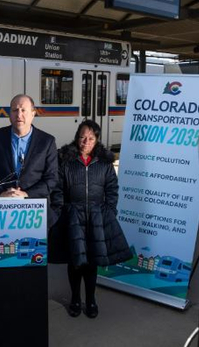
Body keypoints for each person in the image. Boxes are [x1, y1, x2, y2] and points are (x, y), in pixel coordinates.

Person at [50, 120, 132, 318]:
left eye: (90, 138)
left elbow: (112, 189)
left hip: (97, 218)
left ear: (97, 140)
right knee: (75, 261)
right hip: (73, 218)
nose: (85, 141)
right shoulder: (66, 160)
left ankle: (91, 299)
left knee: (91, 263)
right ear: (77, 137)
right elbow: (58, 189)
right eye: (82, 137)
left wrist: (109, 211)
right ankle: (75, 299)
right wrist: (63, 211)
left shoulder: (104, 162)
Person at [0, 94, 58, 210]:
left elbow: (52, 178)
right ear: (9, 114)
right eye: (14, 110)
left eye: (23, 110)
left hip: (35, 208)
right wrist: (1, 193)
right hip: (2, 206)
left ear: (33, 113)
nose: (19, 115)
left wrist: (26, 195)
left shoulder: (47, 141)